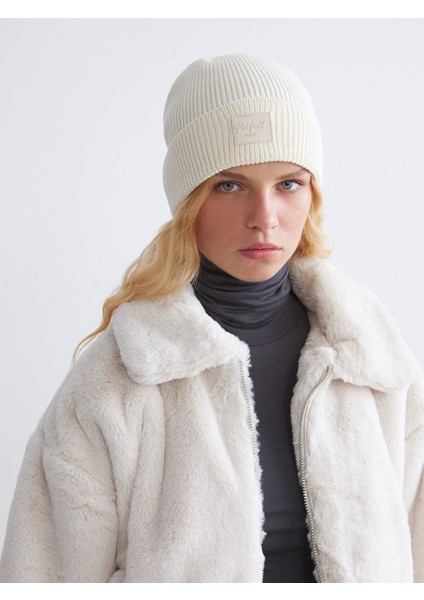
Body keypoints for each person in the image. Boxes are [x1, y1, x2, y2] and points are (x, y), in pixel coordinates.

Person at [0, 54, 423, 584]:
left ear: (313, 193)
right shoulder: (118, 378)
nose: (264, 217)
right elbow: (45, 576)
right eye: (229, 185)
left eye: (288, 183)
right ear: (187, 201)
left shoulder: (371, 356)